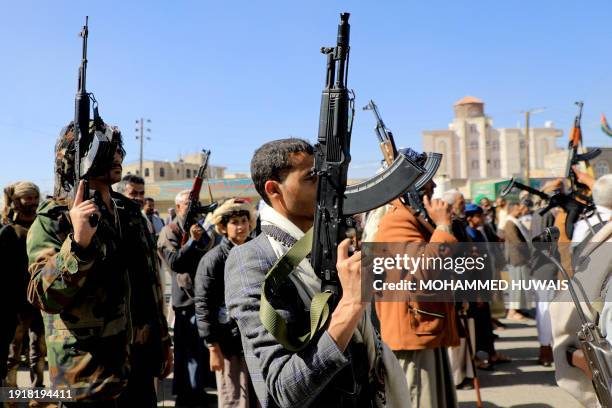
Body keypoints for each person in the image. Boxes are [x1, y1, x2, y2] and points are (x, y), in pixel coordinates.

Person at [225, 138, 409, 408]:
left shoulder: (326, 245)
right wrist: (351, 303)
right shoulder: (250, 260)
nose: (325, 184)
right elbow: (285, 389)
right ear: (274, 190)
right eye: (311, 177)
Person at [27, 123, 171, 406]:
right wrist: (78, 245)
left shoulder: (130, 213)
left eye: (118, 147)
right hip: (87, 377)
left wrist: (163, 342)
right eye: (106, 147)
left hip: (138, 366)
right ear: (78, 155)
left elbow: (150, 286)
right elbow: (43, 296)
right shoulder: (54, 218)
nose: (117, 154)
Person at [374, 161, 459, 406]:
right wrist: (443, 226)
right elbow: (421, 270)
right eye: (428, 186)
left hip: (426, 326)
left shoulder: (412, 217)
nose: (432, 188)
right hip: (413, 331)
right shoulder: (396, 221)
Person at [194, 198, 257, 407]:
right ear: (223, 227)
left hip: (257, 343)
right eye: (235, 222)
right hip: (228, 344)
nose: (241, 227)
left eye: (244, 221)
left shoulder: (258, 254)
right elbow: (203, 304)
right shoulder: (212, 260)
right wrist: (213, 347)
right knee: (234, 400)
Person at [158, 190, 215, 406]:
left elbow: (209, 249)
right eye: (189, 205)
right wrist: (191, 241)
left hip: (200, 295)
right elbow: (174, 262)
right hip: (185, 298)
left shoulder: (195, 228)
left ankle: (196, 390)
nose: (194, 207)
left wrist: (200, 236)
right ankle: (188, 394)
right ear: (179, 207)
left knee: (199, 349)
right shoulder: (169, 230)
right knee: (187, 350)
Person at [0, 182, 46, 390]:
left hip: (42, 301)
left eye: (35, 198)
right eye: (28, 198)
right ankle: (11, 396)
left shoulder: (43, 227)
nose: (32, 203)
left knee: (40, 350)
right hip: (15, 303)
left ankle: (39, 395)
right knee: (14, 353)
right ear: (17, 201)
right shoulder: (7, 231)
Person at [503, 202, 532, 320]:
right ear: (512, 210)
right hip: (517, 258)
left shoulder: (515, 221)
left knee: (522, 284)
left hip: (521, 258)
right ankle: (512, 311)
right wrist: (529, 250)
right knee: (517, 285)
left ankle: (519, 308)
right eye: (517, 208)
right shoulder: (509, 223)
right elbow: (517, 242)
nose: (520, 210)